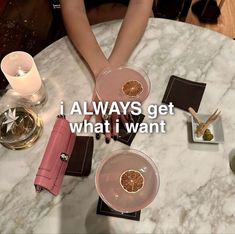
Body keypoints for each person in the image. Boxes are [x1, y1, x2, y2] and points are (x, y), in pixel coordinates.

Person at [60, 0, 153, 143]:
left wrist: (110, 74)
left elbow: (141, 3)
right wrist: (102, 72)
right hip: (83, 25)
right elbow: (73, 6)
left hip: (136, 18)